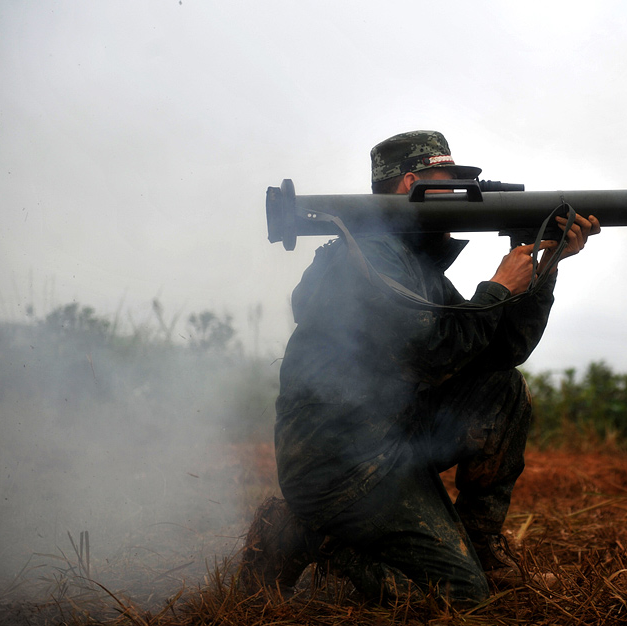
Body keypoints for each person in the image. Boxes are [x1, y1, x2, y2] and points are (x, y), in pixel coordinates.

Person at [239, 130, 600, 606]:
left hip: (393, 442)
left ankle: (481, 544)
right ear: (411, 182)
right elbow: (433, 351)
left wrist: (544, 266)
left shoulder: (416, 267)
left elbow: (499, 352)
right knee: (458, 598)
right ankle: (308, 536)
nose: (461, 199)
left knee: (503, 388)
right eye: (449, 183)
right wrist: (497, 288)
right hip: (341, 466)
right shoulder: (367, 258)